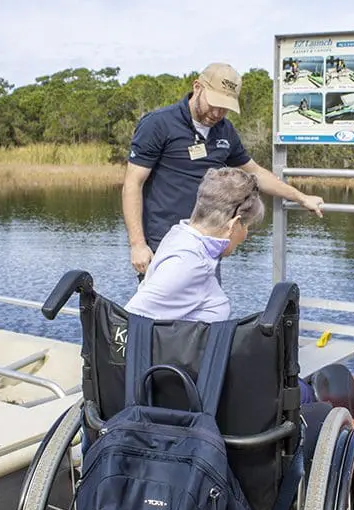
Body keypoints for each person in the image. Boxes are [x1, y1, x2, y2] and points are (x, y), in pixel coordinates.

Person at [124, 166, 317, 400]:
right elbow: (129, 322)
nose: (245, 235)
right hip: (191, 386)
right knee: (307, 395)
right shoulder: (188, 262)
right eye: (246, 227)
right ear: (233, 224)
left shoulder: (180, 236)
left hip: (194, 371)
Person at [122, 62, 325, 277]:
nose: (218, 113)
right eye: (214, 103)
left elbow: (255, 172)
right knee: (164, 310)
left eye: (225, 107)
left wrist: (301, 197)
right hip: (164, 245)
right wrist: (137, 244)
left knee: (210, 308)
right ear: (197, 87)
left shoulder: (225, 131)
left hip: (209, 245)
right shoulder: (158, 124)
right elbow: (133, 184)